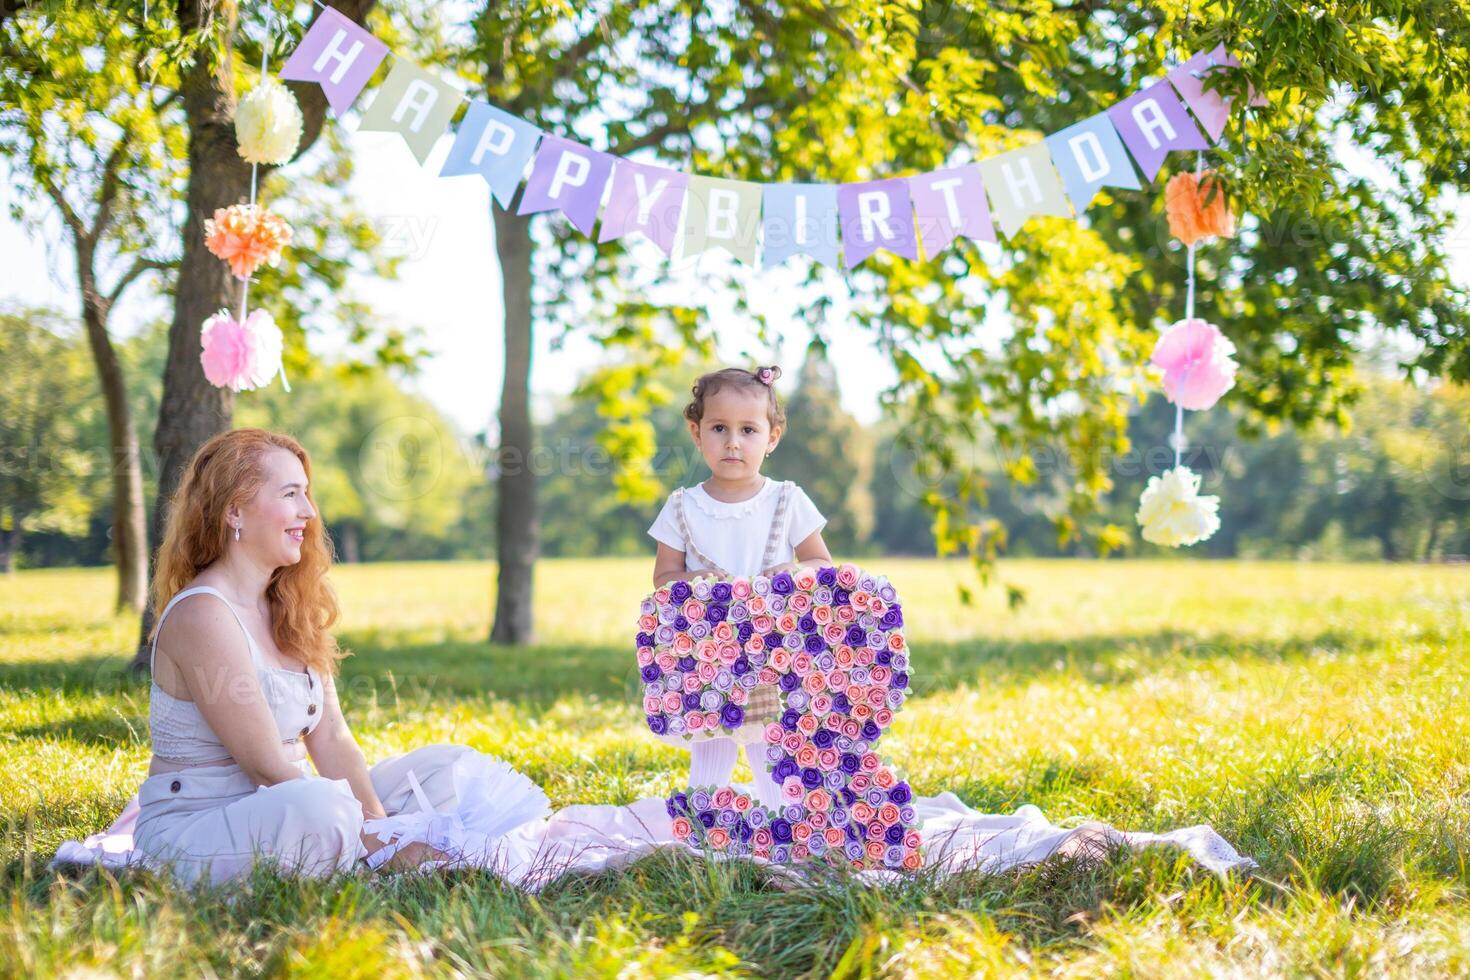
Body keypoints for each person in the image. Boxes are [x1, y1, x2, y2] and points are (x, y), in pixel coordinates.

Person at [133, 428, 541, 886]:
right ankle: (373, 860)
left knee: (447, 771)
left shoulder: (286, 605)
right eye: (290, 494)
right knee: (321, 809)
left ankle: (370, 851)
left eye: (306, 494)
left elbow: (330, 736)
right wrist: (379, 844)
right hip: (202, 824)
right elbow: (265, 766)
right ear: (234, 510)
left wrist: (380, 828)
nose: (308, 512)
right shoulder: (203, 613)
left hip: (287, 801)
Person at [646, 365, 833, 809]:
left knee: (769, 737)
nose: (733, 441)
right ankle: (704, 823)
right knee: (713, 732)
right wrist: (690, 582)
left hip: (772, 647)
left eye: (748, 429)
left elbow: (821, 563)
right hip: (710, 651)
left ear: (771, 438)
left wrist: (793, 570)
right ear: (696, 432)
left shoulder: (787, 500)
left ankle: (783, 820)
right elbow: (662, 577)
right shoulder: (683, 506)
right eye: (719, 428)